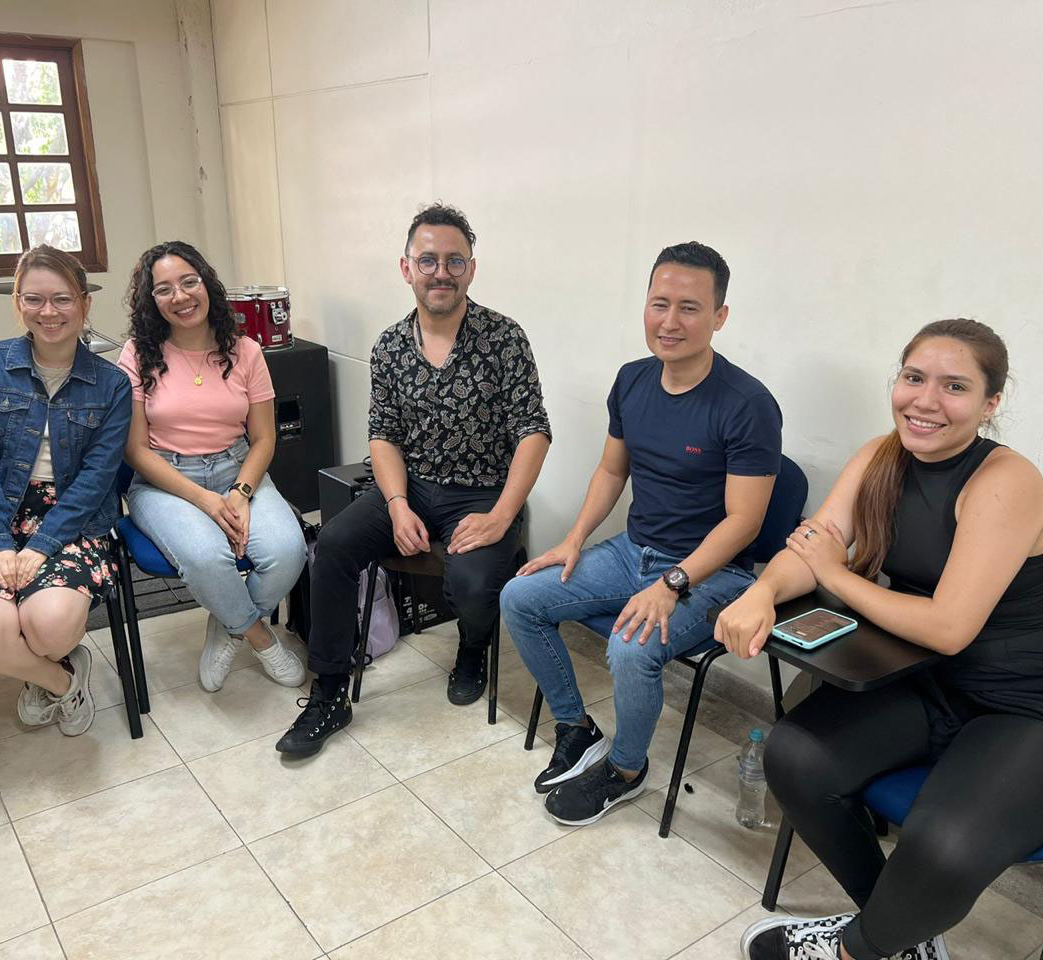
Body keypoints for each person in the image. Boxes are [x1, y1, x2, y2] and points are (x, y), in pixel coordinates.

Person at [717, 319, 1043, 960]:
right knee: (796, 756)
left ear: (991, 403)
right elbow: (815, 545)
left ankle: (859, 949)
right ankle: (899, 934)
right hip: (932, 675)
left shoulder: (1006, 480)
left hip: (1042, 695)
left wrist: (833, 572)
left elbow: (948, 626)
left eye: (955, 386)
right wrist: (763, 592)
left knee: (944, 844)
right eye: (914, 377)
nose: (926, 400)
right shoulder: (881, 456)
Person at [500, 241, 783, 825]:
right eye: (660, 304)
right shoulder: (632, 380)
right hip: (633, 552)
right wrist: (574, 538)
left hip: (713, 575)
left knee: (630, 650)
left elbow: (745, 522)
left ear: (720, 316)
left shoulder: (748, 405)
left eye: (689, 308)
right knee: (520, 596)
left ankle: (626, 770)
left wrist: (673, 583)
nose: (670, 322)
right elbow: (612, 471)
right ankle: (576, 728)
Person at [276, 203, 552, 758]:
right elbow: (383, 436)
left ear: (471, 269)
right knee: (332, 545)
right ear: (407, 269)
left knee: (473, 584)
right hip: (413, 486)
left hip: (483, 492)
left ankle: (471, 648)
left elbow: (534, 432)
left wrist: (502, 515)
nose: (441, 272)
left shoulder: (504, 338)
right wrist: (398, 505)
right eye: (428, 261)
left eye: (454, 261)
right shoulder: (390, 346)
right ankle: (329, 692)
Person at [0, 245, 131, 736]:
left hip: (71, 517)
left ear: (84, 303)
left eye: (62, 299)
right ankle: (62, 680)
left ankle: (43, 660)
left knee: (50, 627)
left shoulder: (112, 384)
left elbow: (97, 478)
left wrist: (43, 545)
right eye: (34, 299)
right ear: (18, 302)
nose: (49, 312)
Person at [119, 241, 307, 693]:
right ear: (151, 300)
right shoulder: (137, 354)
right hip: (164, 480)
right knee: (208, 558)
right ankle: (259, 637)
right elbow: (135, 451)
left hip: (236, 470)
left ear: (207, 284)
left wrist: (239, 494)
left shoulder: (246, 351)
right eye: (164, 289)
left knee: (288, 551)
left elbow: (264, 438)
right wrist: (205, 500)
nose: (181, 296)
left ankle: (228, 625)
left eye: (189, 282)